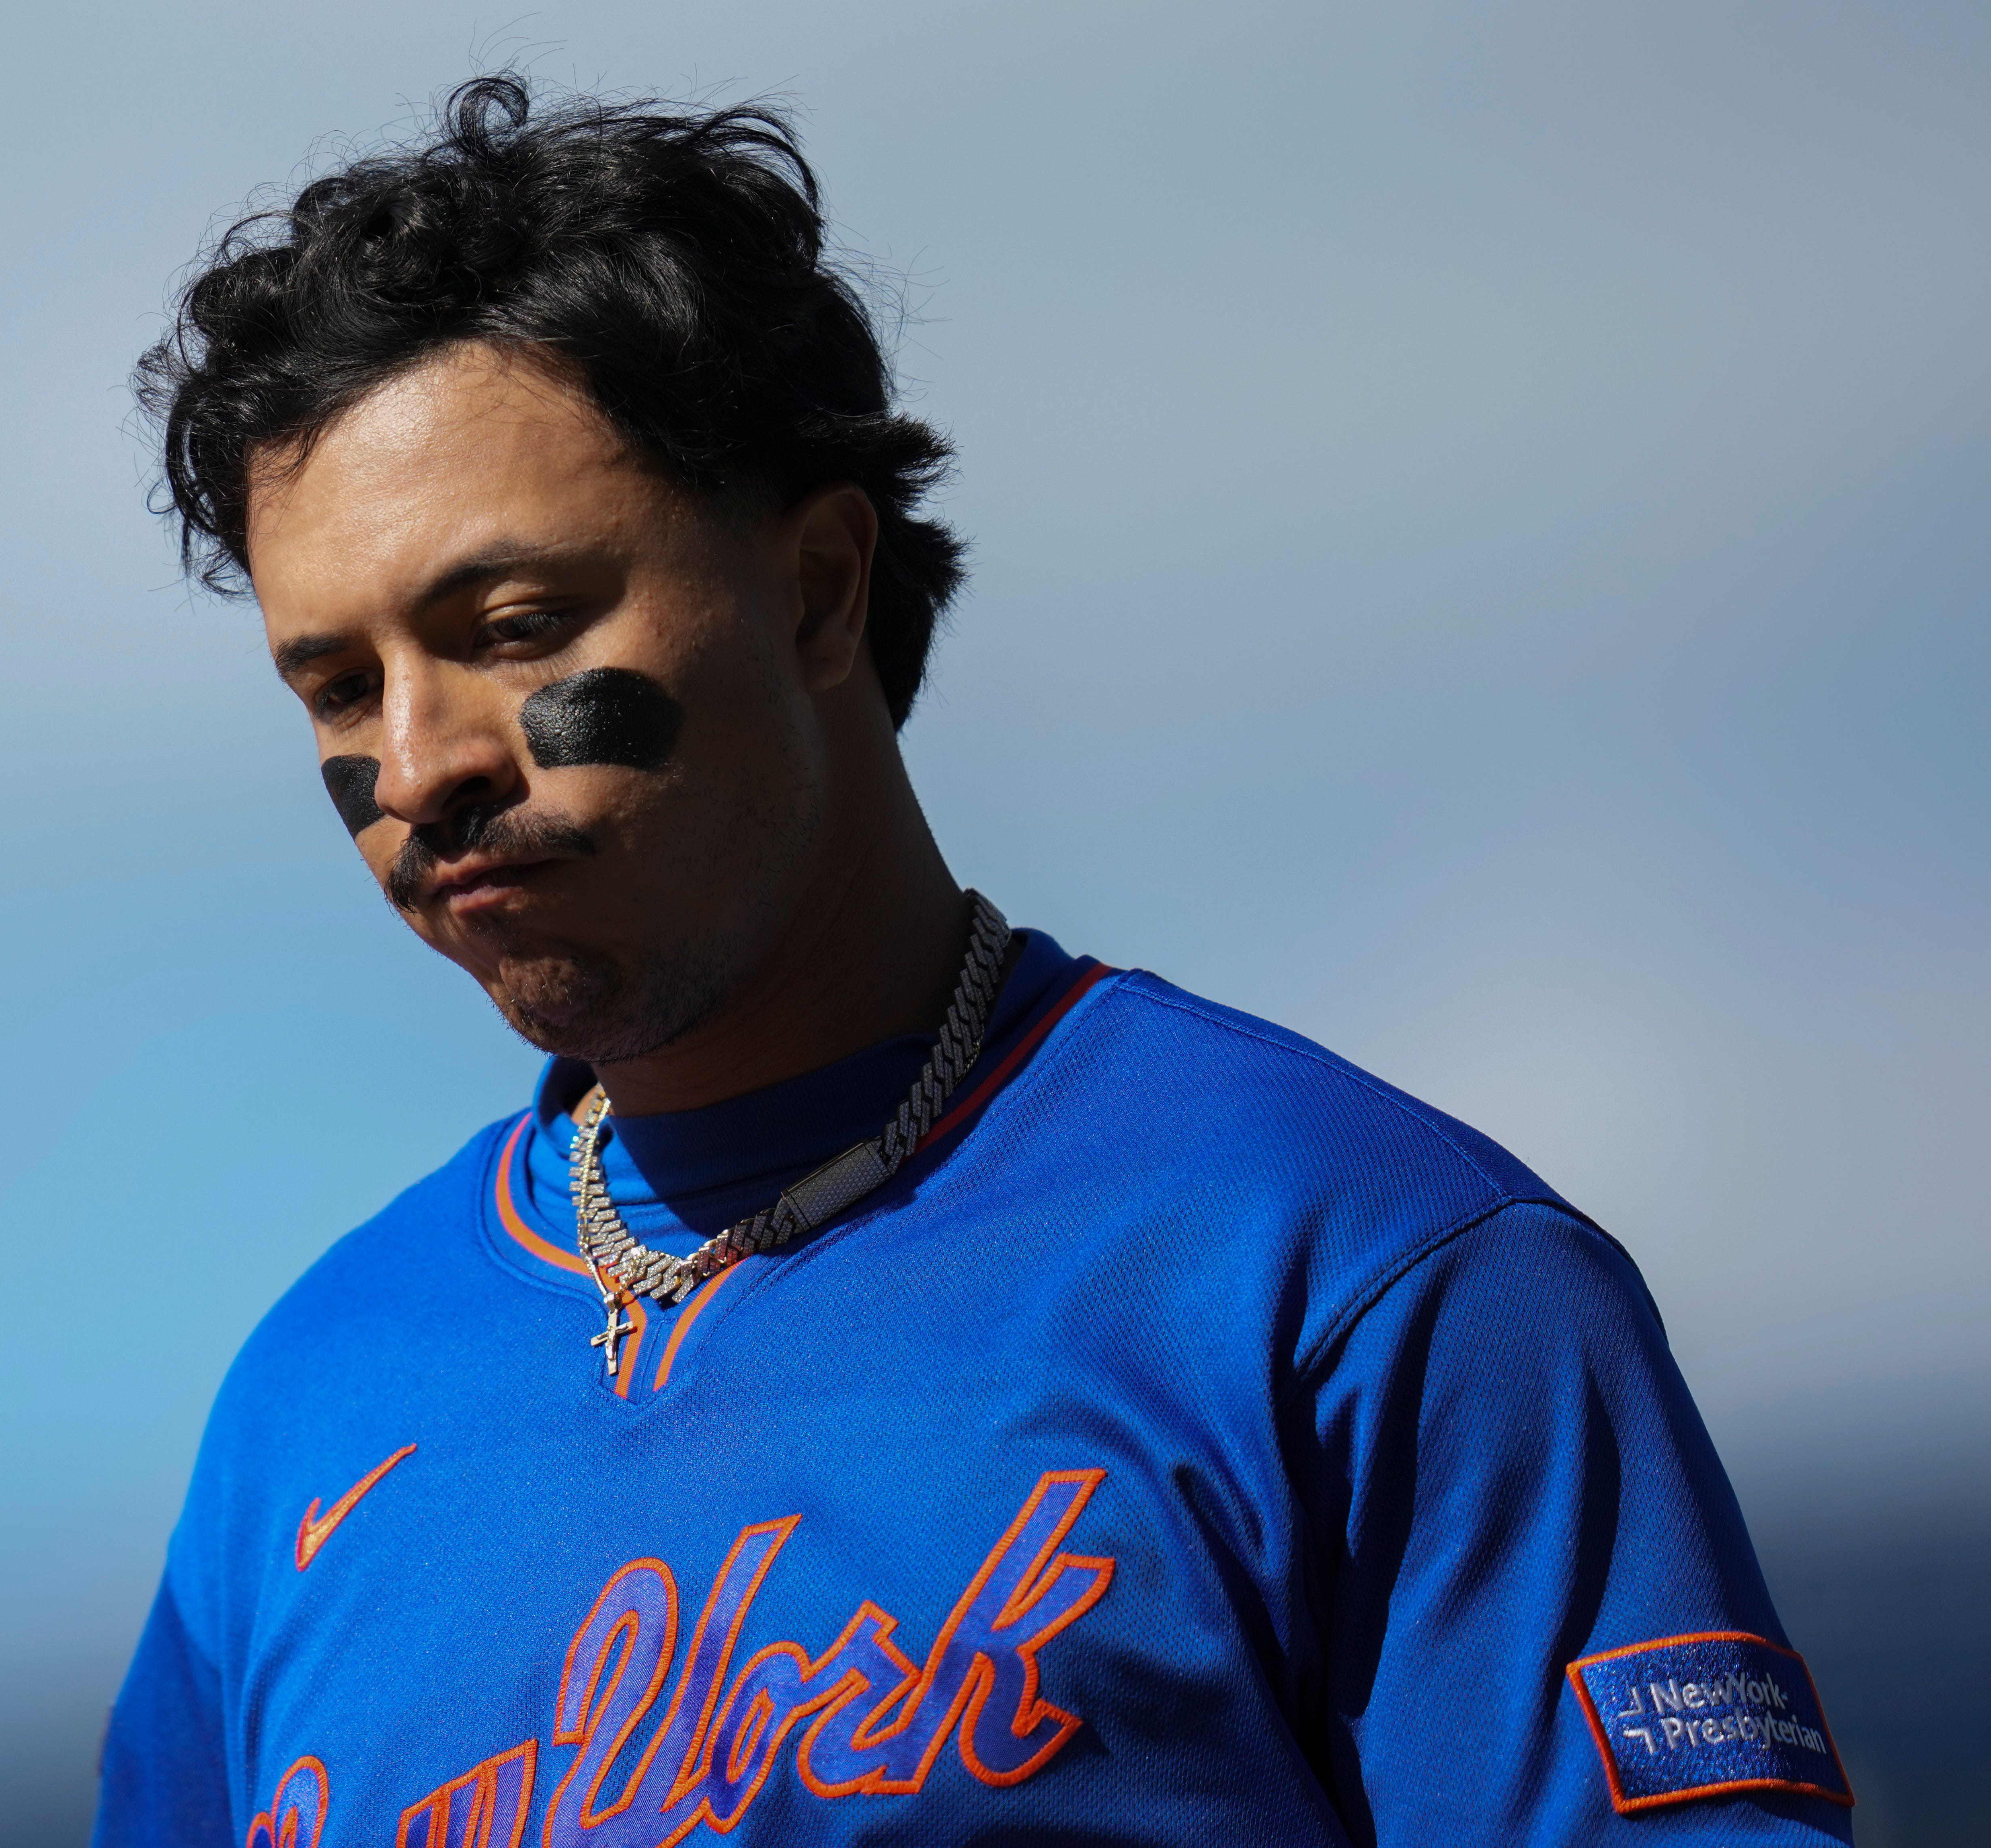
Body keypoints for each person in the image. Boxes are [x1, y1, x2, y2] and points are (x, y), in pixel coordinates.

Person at [93, 76, 1851, 1848]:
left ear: (819, 588)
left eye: (515, 626)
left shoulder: (1355, 1271)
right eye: (338, 688)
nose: (415, 766)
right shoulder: (311, 1405)